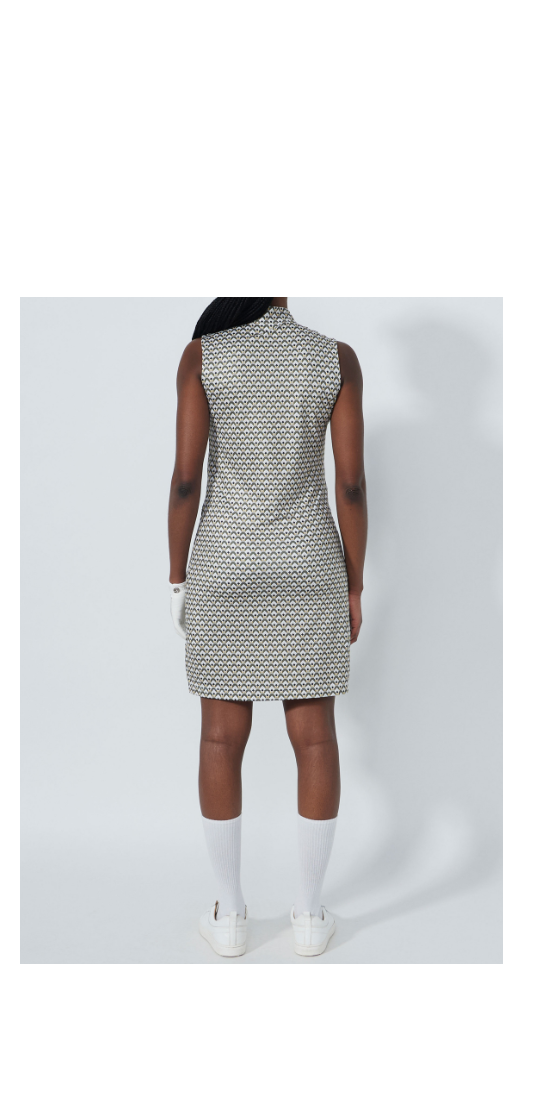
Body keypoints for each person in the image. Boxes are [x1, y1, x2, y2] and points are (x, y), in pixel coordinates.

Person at [167, 297, 367, 958]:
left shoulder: (204, 357)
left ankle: (229, 915)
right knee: (315, 739)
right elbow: (351, 485)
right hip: (309, 563)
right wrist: (354, 582)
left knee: (219, 738)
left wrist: (178, 578)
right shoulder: (334, 359)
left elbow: (186, 481)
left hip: (225, 564)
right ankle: (309, 916)